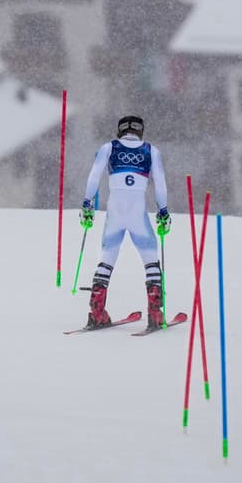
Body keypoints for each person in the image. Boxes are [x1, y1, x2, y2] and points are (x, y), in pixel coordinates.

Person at [79, 115, 171, 331]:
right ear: (140, 130)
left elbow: (94, 176)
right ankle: (155, 312)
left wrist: (87, 203)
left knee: (107, 257)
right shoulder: (151, 150)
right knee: (150, 257)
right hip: (137, 211)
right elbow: (160, 184)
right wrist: (163, 210)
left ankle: (97, 311)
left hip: (115, 211)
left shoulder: (109, 147)